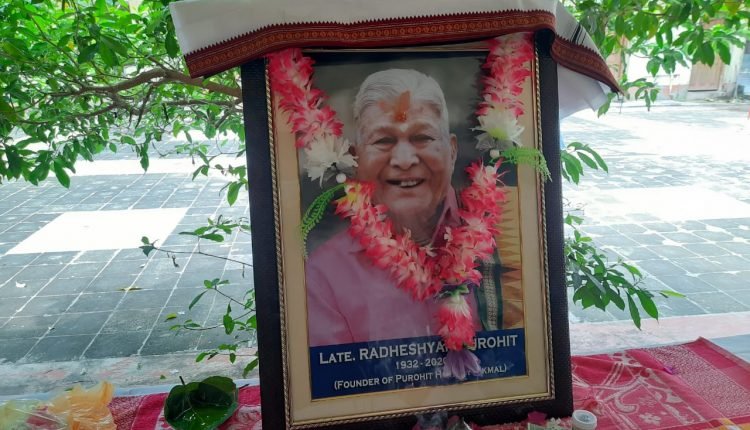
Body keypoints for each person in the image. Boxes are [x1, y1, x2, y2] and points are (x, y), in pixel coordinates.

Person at [305, 69, 491, 347]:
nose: (404, 160)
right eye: (383, 141)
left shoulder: (507, 236)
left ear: (452, 151)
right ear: (356, 159)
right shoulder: (325, 273)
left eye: (422, 137)